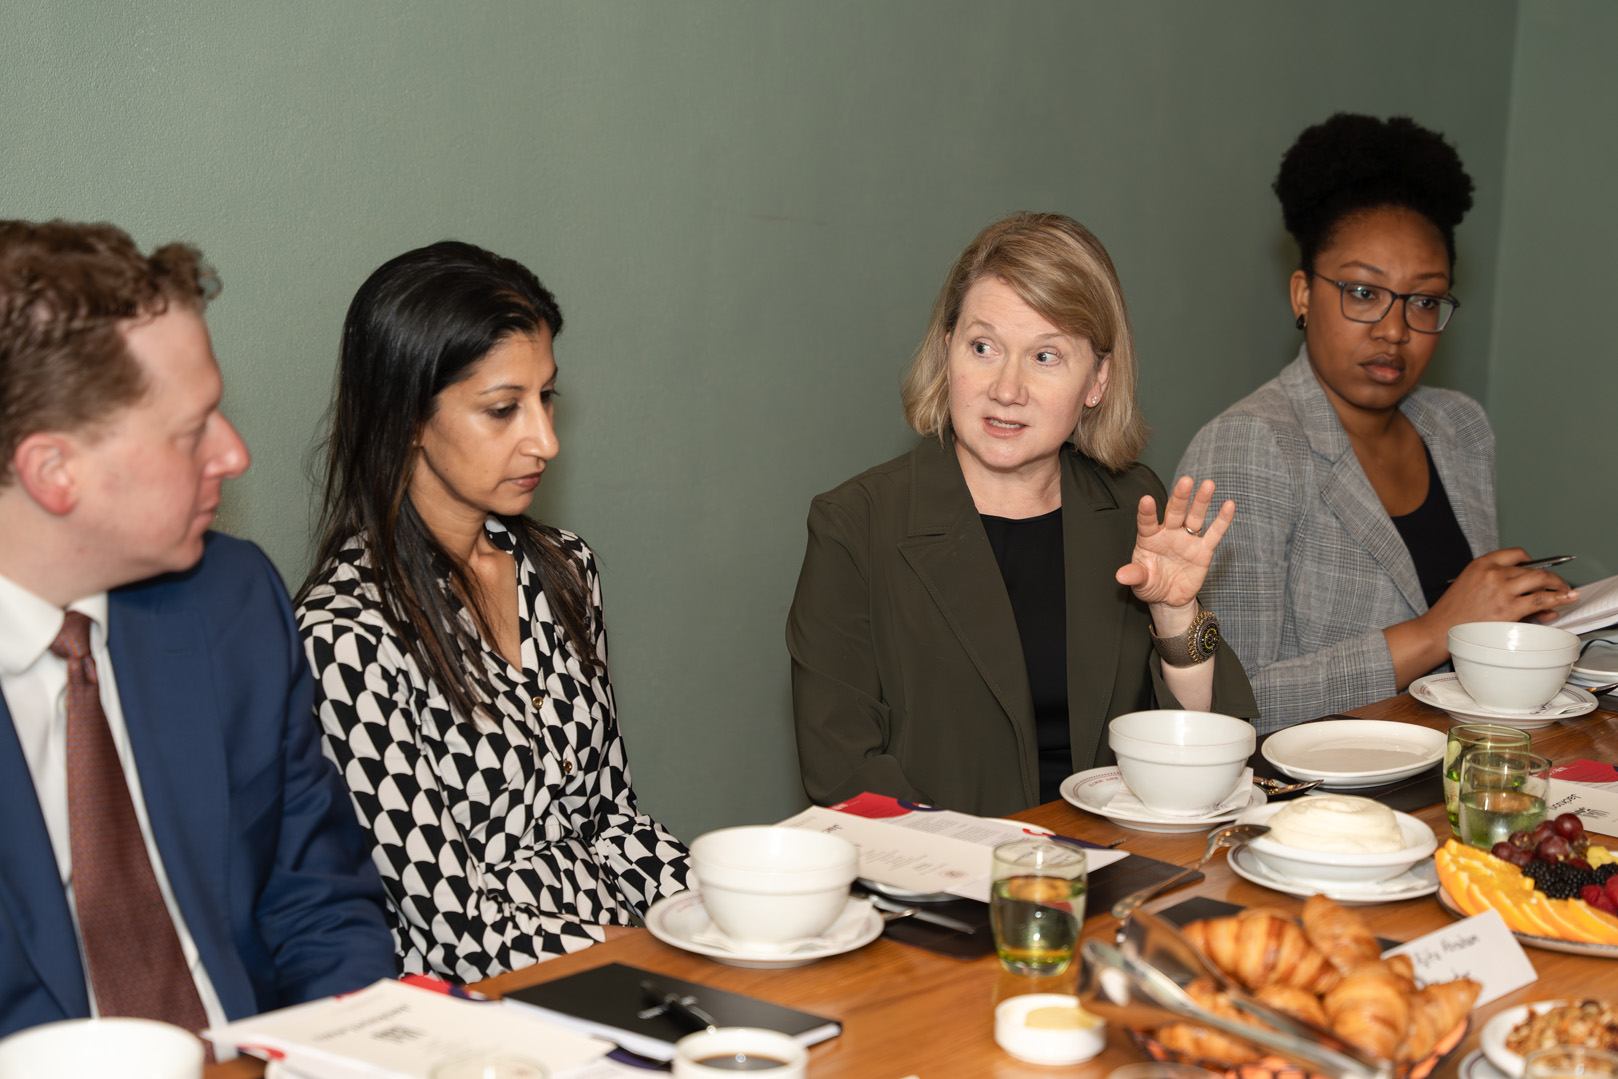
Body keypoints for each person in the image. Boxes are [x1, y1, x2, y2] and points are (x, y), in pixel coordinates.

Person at [0, 220, 394, 1041]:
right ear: (54, 471)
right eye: (192, 430)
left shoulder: (229, 602)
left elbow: (319, 901)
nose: (235, 453)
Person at [296, 241, 690, 983]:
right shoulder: (346, 639)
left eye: (547, 398)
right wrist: (653, 960)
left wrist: (728, 906)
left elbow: (611, 821)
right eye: (503, 409)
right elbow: (455, 928)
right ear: (408, 416)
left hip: (622, 959)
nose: (545, 440)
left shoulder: (563, 569)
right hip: (480, 1001)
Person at [788, 212, 1258, 817]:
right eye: (983, 347)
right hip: (942, 867)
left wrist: (1174, 614)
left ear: (1097, 381)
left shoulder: (1131, 505)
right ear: (947, 350)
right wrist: (1007, 861)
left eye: (1045, 356)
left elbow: (1206, 749)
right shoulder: (856, 524)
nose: (1006, 389)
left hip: (1119, 851)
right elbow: (843, 773)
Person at [1176, 114, 1577, 732]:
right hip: (1310, 783)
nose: (1394, 330)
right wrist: (1440, 630)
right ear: (1303, 294)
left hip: (1457, 760)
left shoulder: (1460, 429)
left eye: (1424, 301)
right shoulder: (1251, 445)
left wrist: (1517, 623)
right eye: (1363, 293)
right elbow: (1230, 699)